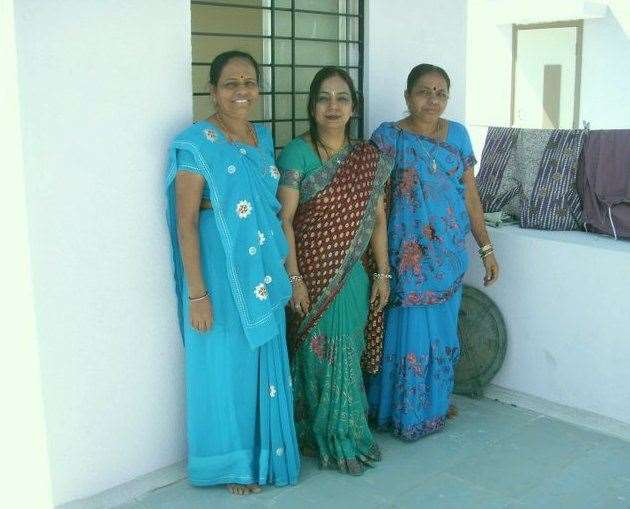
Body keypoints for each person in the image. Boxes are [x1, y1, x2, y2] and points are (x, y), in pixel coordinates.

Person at [165, 50, 300, 495]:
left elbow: (269, 207)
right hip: (218, 272)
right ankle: (232, 464)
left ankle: (263, 453)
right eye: (230, 84)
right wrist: (197, 295)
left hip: (259, 269)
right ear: (213, 90)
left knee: (258, 358)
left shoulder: (263, 138)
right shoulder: (196, 143)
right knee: (223, 363)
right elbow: (186, 221)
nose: (242, 91)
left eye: (249, 82)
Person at [366, 63, 499, 441]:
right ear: (408, 96)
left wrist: (485, 247)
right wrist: (377, 264)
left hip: (449, 256)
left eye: (441, 92)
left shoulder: (457, 135)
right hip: (406, 258)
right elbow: (374, 200)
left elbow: (470, 195)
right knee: (407, 334)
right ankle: (399, 413)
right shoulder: (389, 138)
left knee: (441, 335)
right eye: (425, 91)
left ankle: (435, 406)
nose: (433, 99)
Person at [277, 67, 393, 475]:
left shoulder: (368, 158)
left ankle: (346, 432)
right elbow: (284, 221)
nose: (333, 106)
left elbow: (378, 218)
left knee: (348, 352)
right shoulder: (296, 154)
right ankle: (321, 435)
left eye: (342, 98)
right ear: (312, 106)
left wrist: (383, 273)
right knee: (315, 356)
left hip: (354, 276)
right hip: (310, 275)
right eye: (324, 98)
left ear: (353, 107)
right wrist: (294, 279)